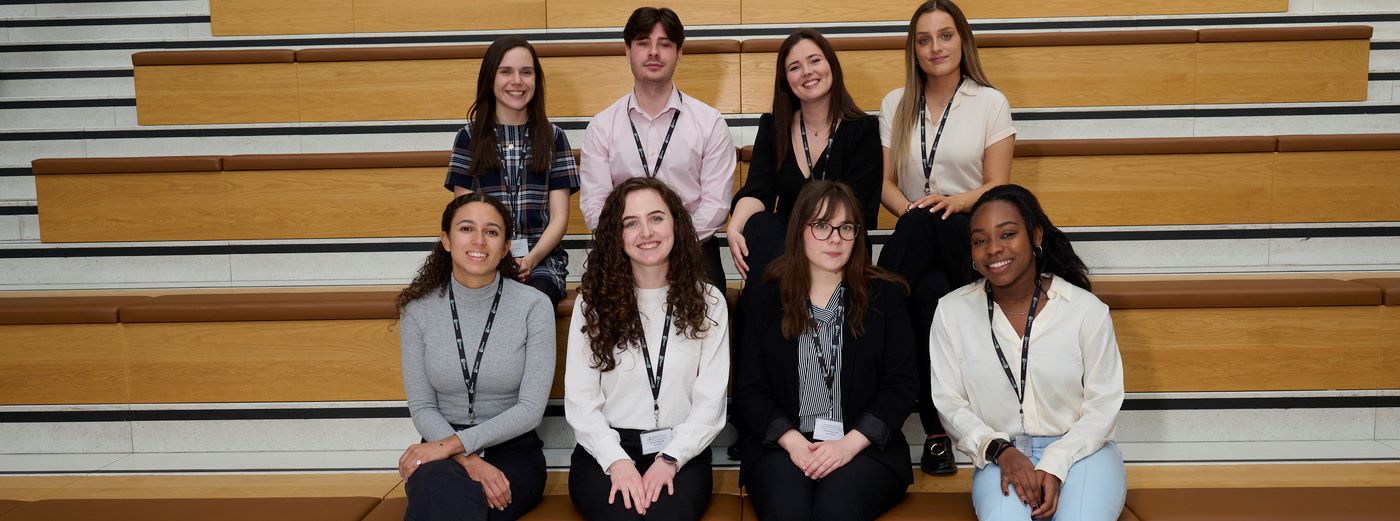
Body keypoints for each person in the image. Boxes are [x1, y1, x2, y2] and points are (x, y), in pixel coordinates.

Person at [876, 0, 1016, 475]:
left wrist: (953, 203)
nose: (935, 47)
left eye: (945, 35)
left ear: (962, 40)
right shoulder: (896, 103)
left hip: (971, 234)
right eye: (924, 39)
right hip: (917, 233)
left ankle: (870, 309)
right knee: (929, 296)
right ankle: (937, 434)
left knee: (925, 224)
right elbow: (885, 185)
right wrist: (913, 209)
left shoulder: (989, 102)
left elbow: (999, 186)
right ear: (913, 49)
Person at [929, 184, 1125, 520]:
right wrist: (1000, 450)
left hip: (1082, 453)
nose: (994, 249)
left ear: (1035, 236)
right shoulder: (952, 312)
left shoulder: (1085, 310)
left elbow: (1102, 405)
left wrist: (1056, 461)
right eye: (980, 240)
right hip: (999, 458)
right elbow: (950, 403)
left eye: (1007, 234)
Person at [733, 181, 917, 521]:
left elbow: (901, 387)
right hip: (783, 446)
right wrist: (793, 443)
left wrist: (848, 445)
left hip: (864, 447)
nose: (835, 238)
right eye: (822, 226)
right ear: (799, 230)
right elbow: (750, 391)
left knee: (836, 510)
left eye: (846, 227)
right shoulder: (764, 299)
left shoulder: (885, 298)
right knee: (788, 511)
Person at [564, 177, 730, 520]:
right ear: (617, 235)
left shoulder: (710, 302)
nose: (646, 232)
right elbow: (581, 404)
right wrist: (617, 461)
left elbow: (710, 402)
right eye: (631, 223)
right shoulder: (591, 303)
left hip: (681, 452)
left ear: (675, 224)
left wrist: (670, 459)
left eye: (656, 218)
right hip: (606, 452)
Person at [396, 193, 556, 521]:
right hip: (441, 447)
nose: (479, 240)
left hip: (514, 447)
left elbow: (530, 410)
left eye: (492, 232)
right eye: (467, 228)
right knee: (439, 488)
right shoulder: (417, 311)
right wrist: (465, 457)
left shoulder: (534, 306)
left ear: (506, 246)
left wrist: (452, 447)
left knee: (467, 499)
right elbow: (423, 407)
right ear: (446, 240)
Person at [579, 6, 736, 290]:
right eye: (643, 43)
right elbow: (595, 207)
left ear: (679, 53)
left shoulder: (709, 123)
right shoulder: (602, 126)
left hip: (693, 250)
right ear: (627, 51)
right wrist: (637, 239)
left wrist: (668, 240)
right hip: (622, 252)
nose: (653, 52)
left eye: (664, 44)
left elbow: (716, 205)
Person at [727, 28, 881, 283]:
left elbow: (860, 209)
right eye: (795, 67)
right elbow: (757, 191)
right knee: (760, 226)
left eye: (814, 60)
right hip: (784, 243)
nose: (807, 72)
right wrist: (734, 227)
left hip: (838, 240)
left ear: (831, 64)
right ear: (786, 80)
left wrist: (819, 233)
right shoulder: (773, 126)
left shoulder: (863, 129)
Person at [444, 36, 580, 308]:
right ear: (490, 79)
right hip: (484, 256)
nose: (517, 81)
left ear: (535, 81)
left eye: (526, 72)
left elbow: (559, 219)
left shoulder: (554, 138)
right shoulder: (468, 138)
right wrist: (494, 259)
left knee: (534, 303)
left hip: (540, 261)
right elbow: (464, 215)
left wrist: (530, 259)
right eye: (506, 72)